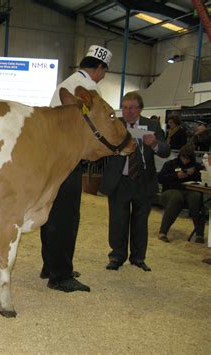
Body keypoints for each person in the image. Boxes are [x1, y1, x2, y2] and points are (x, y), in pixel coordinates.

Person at [40, 44, 112, 293]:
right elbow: (94, 126)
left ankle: (50, 266)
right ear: (99, 68)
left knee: (51, 214)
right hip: (68, 160)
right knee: (67, 217)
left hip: (51, 157)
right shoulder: (89, 89)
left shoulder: (66, 83)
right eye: (104, 71)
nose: (103, 76)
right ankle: (61, 275)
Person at [99, 91, 170, 272]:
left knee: (140, 222)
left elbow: (165, 151)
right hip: (119, 180)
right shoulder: (115, 124)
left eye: (131, 108)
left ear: (140, 109)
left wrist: (154, 143)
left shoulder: (152, 125)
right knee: (118, 221)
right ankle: (116, 256)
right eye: (124, 107)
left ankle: (138, 258)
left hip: (143, 182)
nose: (127, 111)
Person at [157, 144, 205, 243]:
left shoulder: (196, 166)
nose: (185, 161)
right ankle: (163, 232)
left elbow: (203, 181)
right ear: (180, 156)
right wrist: (176, 176)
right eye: (184, 158)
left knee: (197, 198)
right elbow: (160, 178)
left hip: (190, 191)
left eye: (188, 159)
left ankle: (199, 234)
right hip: (170, 191)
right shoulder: (171, 164)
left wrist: (195, 174)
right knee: (176, 198)